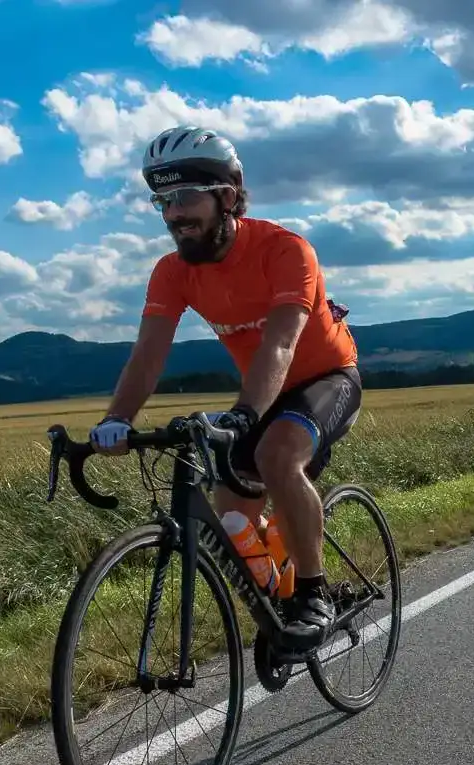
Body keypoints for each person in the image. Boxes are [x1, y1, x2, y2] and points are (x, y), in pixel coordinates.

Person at [89, 125, 362, 649]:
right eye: (162, 201)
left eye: (186, 197)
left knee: (279, 456)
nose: (173, 215)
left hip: (328, 377)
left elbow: (281, 344)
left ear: (228, 196)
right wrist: (116, 419)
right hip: (264, 393)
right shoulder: (172, 272)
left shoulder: (285, 250)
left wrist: (243, 415)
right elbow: (148, 355)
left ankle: (313, 592)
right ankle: (280, 600)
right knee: (233, 519)